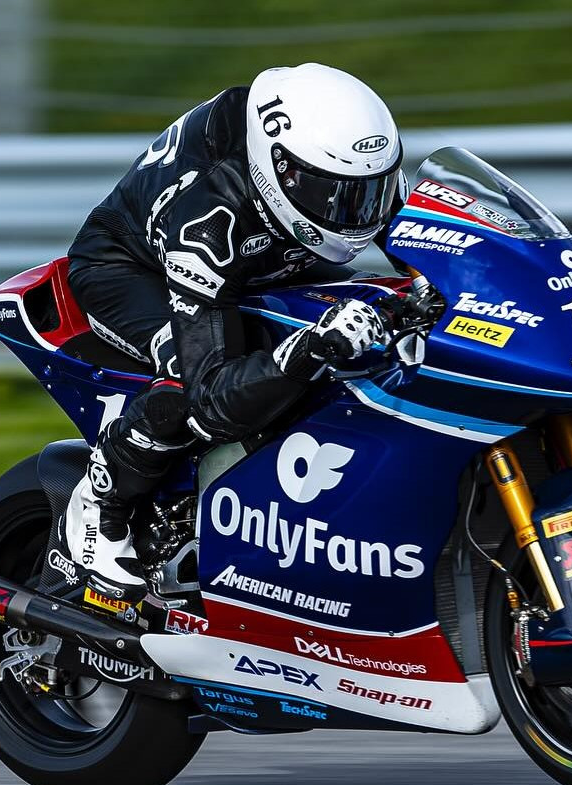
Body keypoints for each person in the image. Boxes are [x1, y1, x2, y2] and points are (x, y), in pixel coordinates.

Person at [63, 64, 406, 599]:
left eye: (367, 193)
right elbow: (212, 398)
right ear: (281, 173)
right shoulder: (209, 216)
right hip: (131, 268)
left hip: (263, 255)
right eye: (336, 197)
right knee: (185, 385)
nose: (355, 214)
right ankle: (99, 503)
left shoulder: (325, 163)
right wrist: (309, 348)